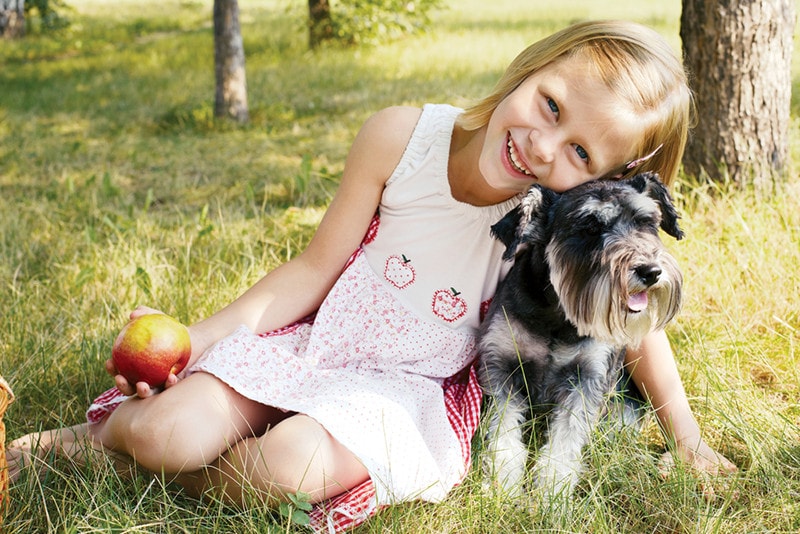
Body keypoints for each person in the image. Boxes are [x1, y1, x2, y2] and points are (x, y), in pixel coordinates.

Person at [7, 19, 736, 531]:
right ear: (531, 65)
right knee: (169, 429)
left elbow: (632, 317)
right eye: (549, 104)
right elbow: (313, 269)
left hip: (406, 391)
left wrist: (689, 436)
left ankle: (154, 466)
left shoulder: (554, 220)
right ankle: (90, 442)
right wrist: (196, 338)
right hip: (320, 346)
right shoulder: (401, 137)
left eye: (581, 154)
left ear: (603, 183)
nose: (544, 146)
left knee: (287, 470)